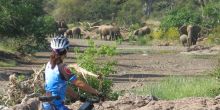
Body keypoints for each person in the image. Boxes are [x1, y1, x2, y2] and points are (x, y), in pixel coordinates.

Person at [42, 36, 100, 110]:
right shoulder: (63, 67)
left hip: (47, 105)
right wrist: (95, 92)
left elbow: (61, 86)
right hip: (56, 106)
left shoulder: (48, 65)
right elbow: (78, 83)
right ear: (66, 50)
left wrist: (78, 97)